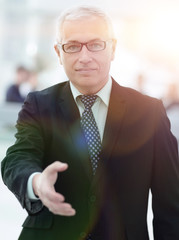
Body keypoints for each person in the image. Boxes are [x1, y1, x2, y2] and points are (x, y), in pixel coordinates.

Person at [1, 6, 179, 240]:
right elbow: (17, 158)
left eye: (96, 44)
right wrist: (36, 182)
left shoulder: (150, 112)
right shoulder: (38, 104)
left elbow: (170, 205)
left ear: (113, 48)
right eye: (73, 46)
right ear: (58, 52)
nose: (85, 57)